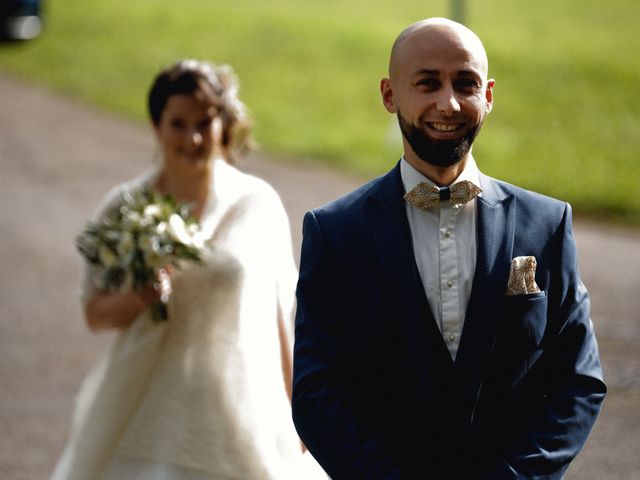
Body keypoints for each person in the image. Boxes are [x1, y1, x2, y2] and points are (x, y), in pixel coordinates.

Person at [292, 18, 606, 479]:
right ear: (389, 95)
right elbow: (317, 393)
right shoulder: (335, 232)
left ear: (489, 95)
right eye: (427, 83)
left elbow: (578, 379)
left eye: (466, 83)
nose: (449, 102)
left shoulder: (548, 223)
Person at [51, 59, 325, 480]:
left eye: (205, 122)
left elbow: (280, 318)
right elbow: (95, 313)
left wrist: (298, 410)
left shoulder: (257, 203)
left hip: (241, 407)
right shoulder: (123, 206)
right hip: (144, 405)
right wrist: (140, 297)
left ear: (222, 124)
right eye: (178, 123)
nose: (193, 137)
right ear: (156, 125)